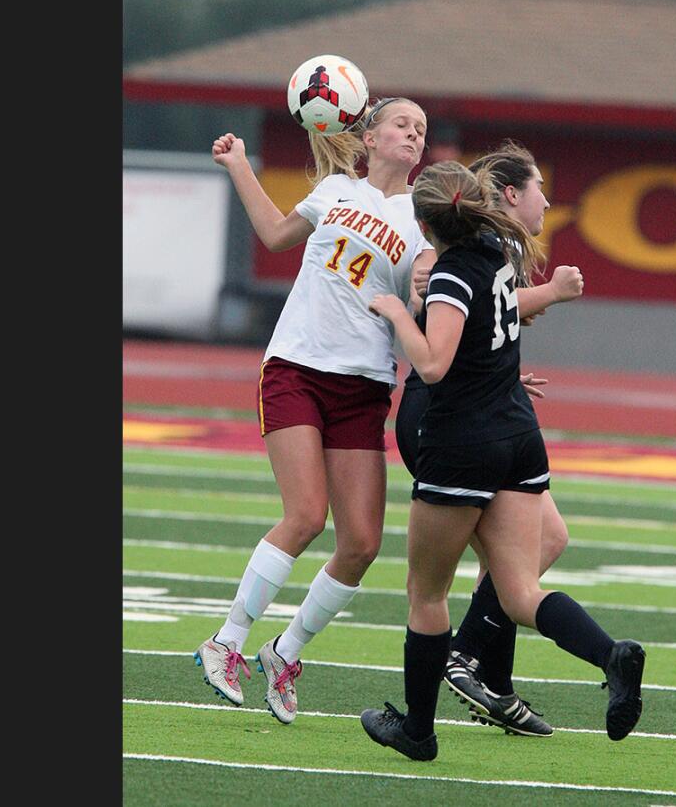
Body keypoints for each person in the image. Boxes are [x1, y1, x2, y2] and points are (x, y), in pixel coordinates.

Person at [361, 160, 646, 762]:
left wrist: (393, 313)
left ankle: (417, 731)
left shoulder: (448, 274)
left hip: (462, 444)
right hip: (517, 435)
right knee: (519, 589)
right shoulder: (495, 254)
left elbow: (433, 364)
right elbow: (496, 322)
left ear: (424, 220)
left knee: (426, 595)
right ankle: (610, 655)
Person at [194, 96, 436, 726]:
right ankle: (227, 641)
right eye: (402, 124)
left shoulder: (421, 219)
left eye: (422, 130)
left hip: (363, 386)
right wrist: (239, 162)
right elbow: (274, 235)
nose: (413, 135)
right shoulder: (334, 189)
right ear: (371, 135)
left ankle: (285, 653)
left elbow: (431, 298)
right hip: (297, 367)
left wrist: (427, 288)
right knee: (304, 515)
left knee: (360, 543)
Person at [392, 141, 583, 738]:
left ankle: (479, 672)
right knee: (469, 579)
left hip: (484, 414)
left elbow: (482, 325)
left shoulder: (493, 248)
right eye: (537, 189)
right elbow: (437, 347)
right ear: (508, 196)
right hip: (445, 418)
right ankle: (469, 666)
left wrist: (499, 368)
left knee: (538, 547)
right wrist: (549, 294)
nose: (547, 201)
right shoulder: (456, 248)